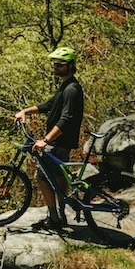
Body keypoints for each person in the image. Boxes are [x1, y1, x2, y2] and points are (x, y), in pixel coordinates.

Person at [13, 46, 84, 230]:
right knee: (58, 177)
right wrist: (25, 111)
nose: (56, 67)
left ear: (70, 65)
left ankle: (55, 218)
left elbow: (66, 119)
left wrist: (46, 140)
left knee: (43, 177)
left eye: (60, 65)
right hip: (58, 141)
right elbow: (48, 105)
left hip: (59, 142)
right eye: (55, 64)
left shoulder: (72, 90)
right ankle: (58, 215)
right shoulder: (66, 86)